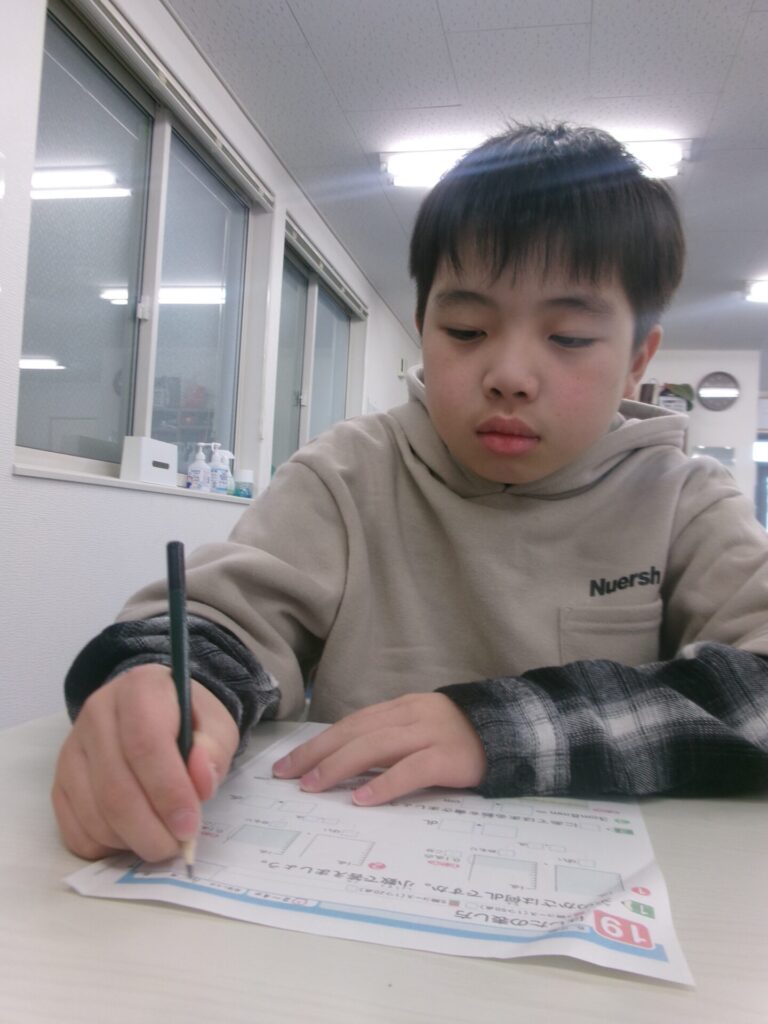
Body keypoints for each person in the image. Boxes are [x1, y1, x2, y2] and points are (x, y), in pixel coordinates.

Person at [52, 123, 768, 866]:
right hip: (350, 869)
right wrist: (172, 685)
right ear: (423, 328)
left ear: (637, 360)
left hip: (599, 886)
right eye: (466, 329)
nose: (510, 375)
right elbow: (222, 622)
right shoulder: (349, 472)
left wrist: (497, 727)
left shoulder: (683, 498)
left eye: (570, 338)